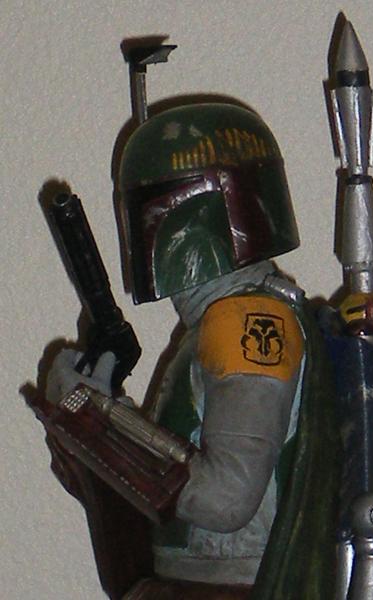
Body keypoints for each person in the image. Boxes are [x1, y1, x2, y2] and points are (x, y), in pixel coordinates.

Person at [45, 103, 340, 600]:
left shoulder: (243, 320)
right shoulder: (230, 317)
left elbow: (225, 499)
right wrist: (106, 418)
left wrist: (100, 423)